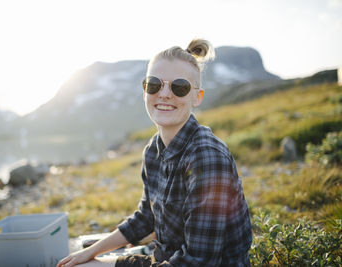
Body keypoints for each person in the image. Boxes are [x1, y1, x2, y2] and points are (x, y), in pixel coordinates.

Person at [57, 39, 252, 267]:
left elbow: (198, 262)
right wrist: (90, 252)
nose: (165, 94)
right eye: (154, 84)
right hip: (162, 260)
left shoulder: (207, 157)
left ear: (197, 97)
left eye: (179, 87)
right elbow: (146, 217)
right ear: (144, 92)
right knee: (81, 264)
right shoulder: (152, 151)